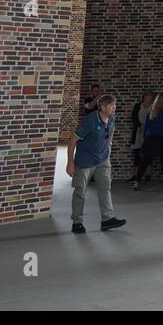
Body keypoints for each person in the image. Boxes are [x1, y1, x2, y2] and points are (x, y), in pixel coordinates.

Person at [66, 94, 126, 234]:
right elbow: (73, 140)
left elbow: (110, 134)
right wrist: (70, 163)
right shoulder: (89, 121)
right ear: (103, 107)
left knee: (105, 188)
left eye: (115, 105)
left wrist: (108, 149)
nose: (114, 108)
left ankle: (107, 219)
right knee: (80, 192)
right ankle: (77, 222)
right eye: (111, 105)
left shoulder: (112, 118)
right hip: (85, 161)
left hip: (103, 160)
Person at [133, 92, 163, 189]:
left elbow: (146, 127)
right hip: (162, 138)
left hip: (150, 139)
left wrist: (145, 140)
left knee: (144, 161)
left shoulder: (151, 111)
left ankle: (137, 181)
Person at [128, 90, 153, 183]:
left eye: (151, 96)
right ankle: (135, 175)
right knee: (137, 154)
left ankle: (148, 174)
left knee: (148, 154)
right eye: (148, 96)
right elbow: (133, 117)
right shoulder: (138, 106)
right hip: (138, 133)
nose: (149, 98)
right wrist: (139, 125)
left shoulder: (153, 107)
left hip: (148, 133)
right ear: (144, 97)